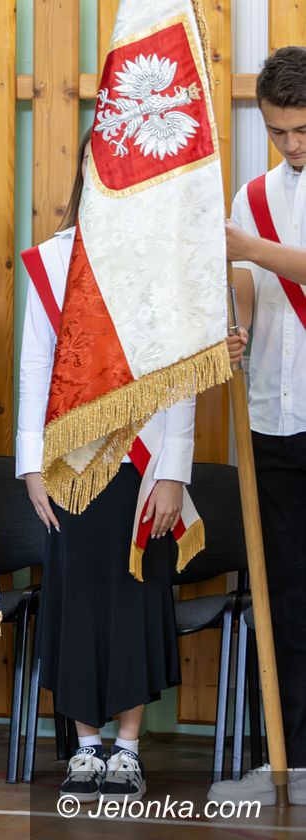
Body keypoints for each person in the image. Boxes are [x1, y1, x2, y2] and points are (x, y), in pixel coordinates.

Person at [17, 142, 196, 804]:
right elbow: (37, 365)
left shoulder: (163, 261)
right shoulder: (53, 261)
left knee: (135, 595)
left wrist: (174, 467)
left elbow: (181, 373)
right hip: (72, 465)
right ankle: (86, 746)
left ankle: (128, 747)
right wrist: (31, 463)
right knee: (78, 595)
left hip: (143, 462)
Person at [209, 45, 306, 807]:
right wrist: (234, 322)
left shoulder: (253, 223)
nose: (294, 145)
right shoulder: (254, 195)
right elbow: (245, 285)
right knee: (286, 592)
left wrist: (253, 250)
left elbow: (263, 257)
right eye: (279, 132)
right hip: (275, 413)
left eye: (304, 129)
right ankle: (291, 756)